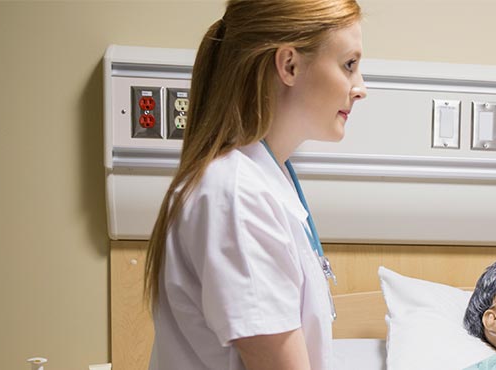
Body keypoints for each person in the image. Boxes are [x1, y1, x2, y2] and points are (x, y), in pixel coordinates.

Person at [143, 1, 367, 369]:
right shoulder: (235, 195)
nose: (360, 88)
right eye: (349, 65)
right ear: (289, 65)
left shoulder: (263, 178)